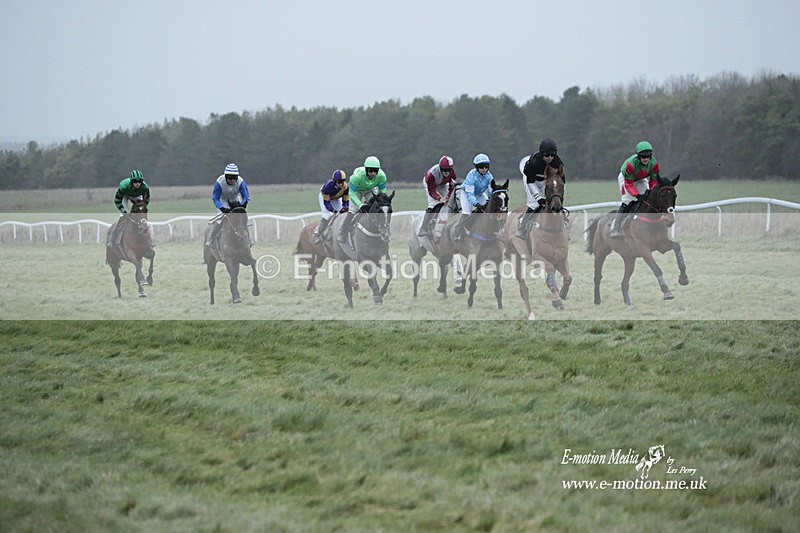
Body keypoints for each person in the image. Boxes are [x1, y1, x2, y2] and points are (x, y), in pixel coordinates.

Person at [516, 138, 566, 238]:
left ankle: (562, 225)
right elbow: (530, 182)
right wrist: (538, 198)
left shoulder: (557, 162)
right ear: (542, 154)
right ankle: (523, 227)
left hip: (546, 181)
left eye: (552, 155)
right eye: (547, 155)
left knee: (553, 201)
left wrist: (559, 198)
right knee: (534, 204)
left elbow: (562, 181)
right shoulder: (534, 163)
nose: (550, 157)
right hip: (531, 181)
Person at [610, 141, 661, 238]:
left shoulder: (654, 164)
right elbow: (629, 185)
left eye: (648, 156)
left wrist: (650, 192)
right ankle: (615, 228)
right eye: (643, 157)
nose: (646, 159)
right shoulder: (631, 165)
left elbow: (653, 182)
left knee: (647, 198)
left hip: (640, 178)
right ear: (638, 156)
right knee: (627, 201)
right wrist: (637, 195)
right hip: (626, 179)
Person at [337, 155, 388, 243]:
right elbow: (352, 194)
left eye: (375, 171)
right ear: (366, 169)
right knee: (353, 211)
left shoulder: (382, 176)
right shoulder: (357, 177)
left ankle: (381, 230)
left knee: (376, 207)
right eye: (371, 170)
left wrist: (381, 202)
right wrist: (360, 205)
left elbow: (382, 193)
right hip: (357, 191)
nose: (373, 173)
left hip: (370, 190)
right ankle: (342, 232)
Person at [206, 163, 251, 246]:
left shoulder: (241, 182)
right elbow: (215, 198)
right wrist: (222, 208)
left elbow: (246, 196)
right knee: (221, 218)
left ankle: (249, 240)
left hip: (235, 198)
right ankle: (211, 239)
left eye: (234, 178)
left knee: (241, 217)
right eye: (230, 178)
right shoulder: (219, 182)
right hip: (222, 200)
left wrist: (243, 205)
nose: (232, 180)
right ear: (226, 176)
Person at [454, 153, 494, 241]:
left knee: (488, 210)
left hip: (480, 194)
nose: (484, 169)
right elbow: (470, 194)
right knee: (466, 212)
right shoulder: (471, 175)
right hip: (466, 194)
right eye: (481, 167)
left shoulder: (489, 176)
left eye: (486, 166)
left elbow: (491, 191)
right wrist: (475, 203)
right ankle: (458, 233)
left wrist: (490, 200)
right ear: (476, 167)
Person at [109, 169, 150, 248]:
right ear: (131, 181)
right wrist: (124, 211)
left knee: (142, 218)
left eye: (139, 181)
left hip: (137, 196)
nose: (137, 184)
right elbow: (117, 200)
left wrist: (141, 209)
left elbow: (146, 200)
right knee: (124, 217)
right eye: (135, 181)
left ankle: (148, 241)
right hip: (126, 196)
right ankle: (113, 240)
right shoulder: (124, 186)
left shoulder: (145, 188)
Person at [418, 156, 457, 237]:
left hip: (442, 184)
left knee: (450, 202)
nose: (447, 172)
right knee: (433, 204)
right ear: (440, 168)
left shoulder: (452, 173)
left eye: (449, 170)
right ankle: (423, 229)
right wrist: (439, 198)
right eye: (444, 170)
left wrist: (448, 197)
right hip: (430, 184)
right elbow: (431, 191)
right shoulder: (431, 175)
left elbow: (452, 187)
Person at [315, 169, 349, 244]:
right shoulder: (328, 186)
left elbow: (346, 200)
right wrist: (333, 210)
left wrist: (345, 207)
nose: (341, 184)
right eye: (339, 182)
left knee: (342, 214)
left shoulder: (345, 187)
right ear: (335, 181)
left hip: (336, 198)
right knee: (328, 215)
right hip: (325, 197)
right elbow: (327, 203)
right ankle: (319, 234)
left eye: (342, 181)